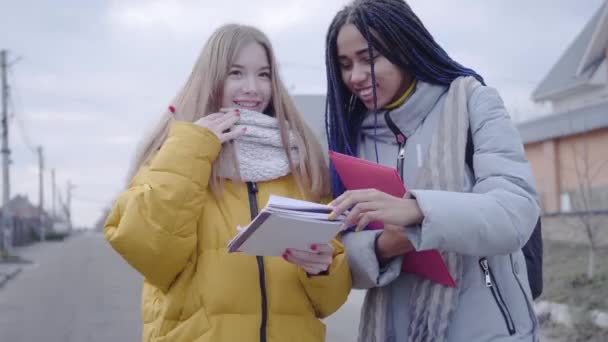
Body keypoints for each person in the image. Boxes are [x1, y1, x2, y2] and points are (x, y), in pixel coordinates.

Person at [104, 24, 351, 342]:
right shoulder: (174, 151)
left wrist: (323, 269)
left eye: (263, 75)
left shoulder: (300, 161)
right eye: (236, 73)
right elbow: (151, 252)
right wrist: (194, 148)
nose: (253, 88)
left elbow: (328, 302)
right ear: (211, 78)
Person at [323, 0, 540, 341]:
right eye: (345, 64)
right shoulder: (353, 138)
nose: (355, 76)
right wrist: (381, 247)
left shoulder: (473, 102)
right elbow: (339, 249)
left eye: (369, 58)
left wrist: (418, 212)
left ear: (404, 46)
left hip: (491, 331)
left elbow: (515, 213)